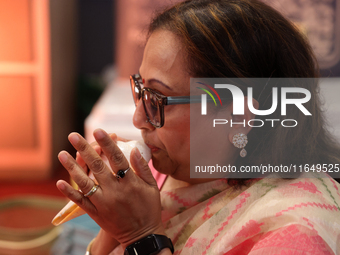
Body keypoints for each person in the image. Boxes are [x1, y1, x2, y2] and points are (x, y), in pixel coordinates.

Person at [56, 0, 340, 254]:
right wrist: (114, 213)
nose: (138, 120)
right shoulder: (167, 166)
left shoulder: (297, 232)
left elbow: (136, 240)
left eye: (157, 98)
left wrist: (142, 236)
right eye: (141, 89)